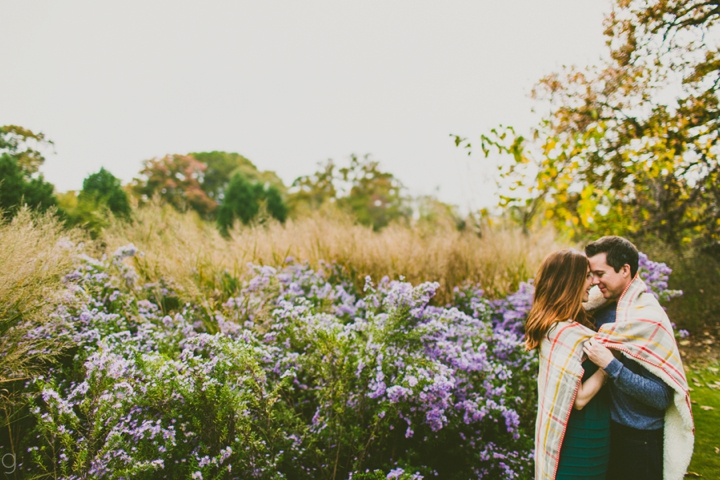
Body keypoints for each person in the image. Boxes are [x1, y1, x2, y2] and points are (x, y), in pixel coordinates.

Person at [583, 236, 694, 480]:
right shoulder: (597, 309)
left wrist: (611, 366)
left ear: (625, 270)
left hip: (639, 441)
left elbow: (661, 397)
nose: (594, 281)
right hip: (607, 432)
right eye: (591, 274)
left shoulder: (647, 319)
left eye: (600, 273)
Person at [527, 249, 610, 480]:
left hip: (595, 432)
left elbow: (603, 296)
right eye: (586, 276)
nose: (592, 282)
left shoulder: (565, 324)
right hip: (578, 438)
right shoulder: (562, 332)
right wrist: (610, 364)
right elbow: (580, 399)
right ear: (569, 281)